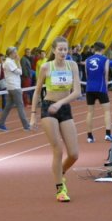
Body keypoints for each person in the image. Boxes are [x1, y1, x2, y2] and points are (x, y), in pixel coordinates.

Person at [31, 36, 81, 202]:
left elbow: (77, 92)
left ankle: (61, 173)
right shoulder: (46, 67)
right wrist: (32, 115)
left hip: (63, 108)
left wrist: (60, 103)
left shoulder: (72, 65)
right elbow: (37, 91)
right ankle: (60, 189)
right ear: (54, 50)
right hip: (48, 108)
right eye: (60, 49)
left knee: (74, 154)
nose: (63, 52)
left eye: (65, 49)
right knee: (58, 149)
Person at [0, 46, 30, 132]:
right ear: (11, 53)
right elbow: (20, 72)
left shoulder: (9, 61)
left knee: (8, 107)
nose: (16, 54)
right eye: (15, 52)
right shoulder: (9, 62)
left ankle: (0, 124)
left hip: (11, 87)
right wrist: (18, 62)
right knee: (20, 106)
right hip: (14, 87)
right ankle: (26, 125)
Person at [84, 42, 112, 143]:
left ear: (94, 49)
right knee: (107, 111)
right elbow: (106, 74)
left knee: (90, 112)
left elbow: (87, 76)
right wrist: (106, 87)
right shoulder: (105, 59)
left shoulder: (87, 60)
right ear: (102, 49)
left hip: (89, 88)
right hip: (101, 88)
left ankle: (89, 136)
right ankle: (108, 134)